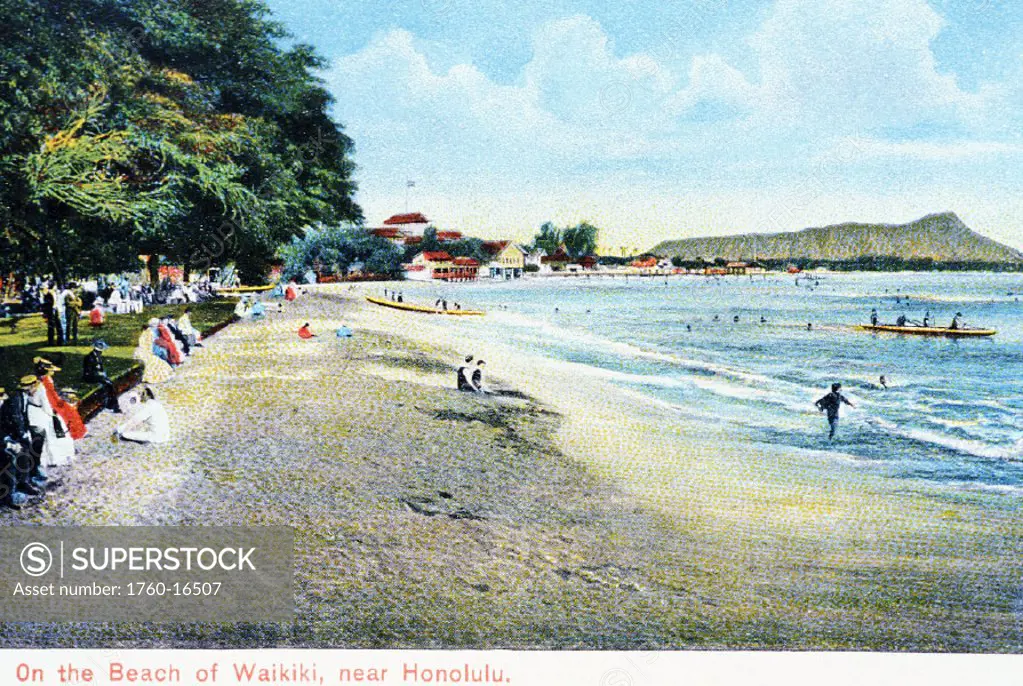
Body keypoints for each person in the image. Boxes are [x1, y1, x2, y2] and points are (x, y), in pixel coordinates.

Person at [0, 377, 48, 498]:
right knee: (22, 450)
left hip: (12, 432)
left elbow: (23, 416)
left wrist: (26, 431)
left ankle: (25, 480)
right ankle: (19, 484)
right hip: (7, 434)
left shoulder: (23, 397)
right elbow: (16, 418)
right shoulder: (16, 399)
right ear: (30, 388)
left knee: (32, 443)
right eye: (34, 388)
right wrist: (22, 434)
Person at [35, 358, 86, 441]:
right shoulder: (45, 381)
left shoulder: (46, 379)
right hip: (53, 404)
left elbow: (54, 392)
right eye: (51, 370)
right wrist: (65, 399)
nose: (53, 372)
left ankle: (78, 432)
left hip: (55, 401)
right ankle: (76, 433)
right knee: (70, 411)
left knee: (71, 409)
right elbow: (52, 396)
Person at [83, 340, 121, 413]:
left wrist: (102, 374)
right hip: (90, 377)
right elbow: (88, 371)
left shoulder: (98, 357)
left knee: (110, 384)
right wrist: (99, 374)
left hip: (98, 376)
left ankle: (111, 404)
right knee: (109, 385)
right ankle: (115, 407)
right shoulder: (89, 357)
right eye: (99, 351)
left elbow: (100, 368)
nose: (100, 352)